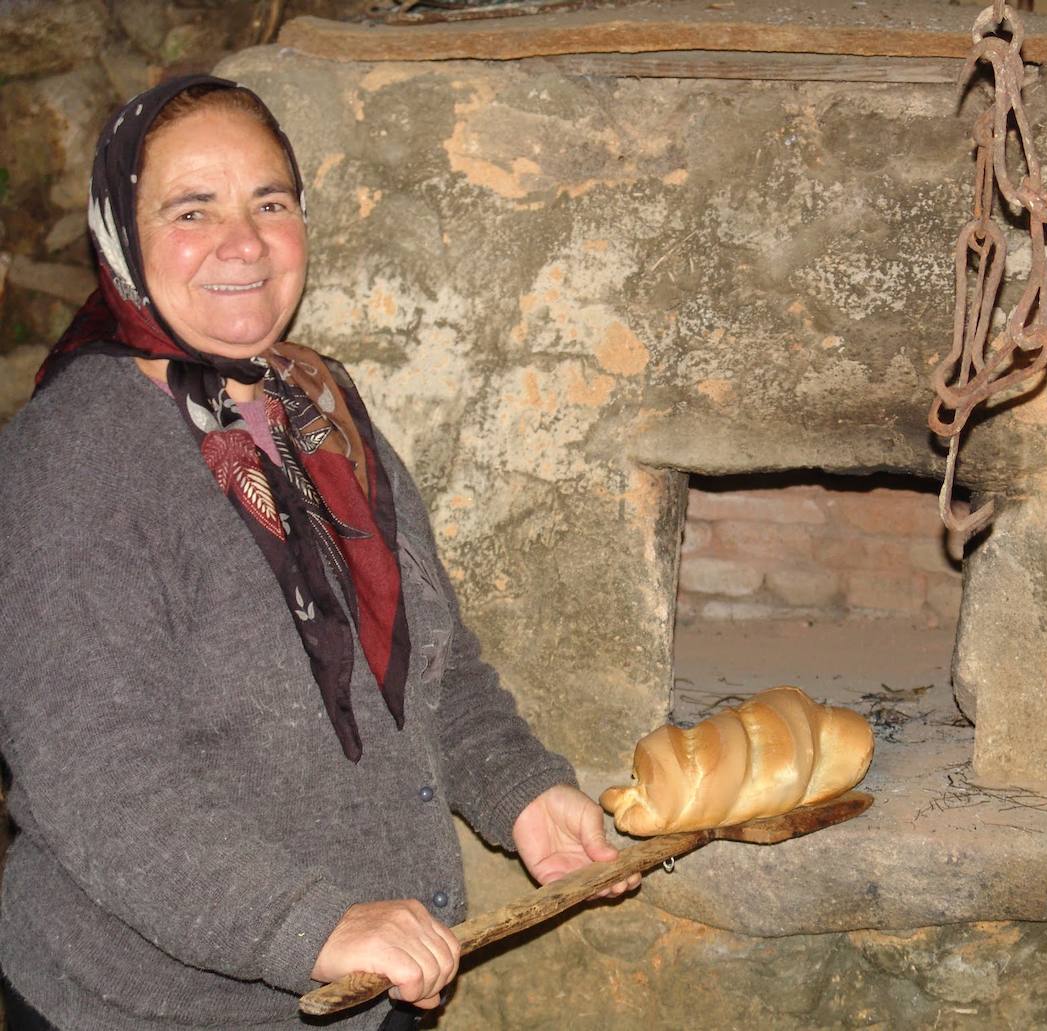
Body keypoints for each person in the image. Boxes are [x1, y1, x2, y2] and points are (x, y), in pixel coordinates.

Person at [0, 74, 636, 1031]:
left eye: (270, 201)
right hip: (159, 1010)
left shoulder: (315, 405)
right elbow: (99, 781)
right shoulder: (79, 453)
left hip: (366, 987)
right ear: (120, 238)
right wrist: (310, 924)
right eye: (190, 209)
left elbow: (434, 663)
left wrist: (521, 792)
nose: (243, 241)